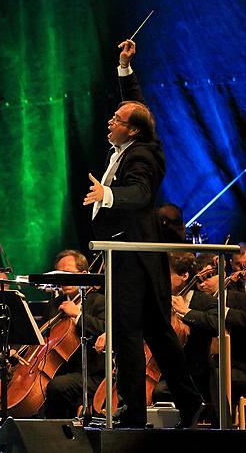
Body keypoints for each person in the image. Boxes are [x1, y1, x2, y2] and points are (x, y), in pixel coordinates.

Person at [83, 40, 203, 428]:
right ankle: (190, 401)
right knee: (156, 331)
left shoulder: (143, 154)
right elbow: (136, 106)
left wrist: (107, 193)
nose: (110, 122)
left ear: (131, 130)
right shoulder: (136, 137)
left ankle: (134, 411)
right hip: (131, 257)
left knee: (129, 333)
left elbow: (140, 194)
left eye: (116, 120)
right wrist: (124, 67)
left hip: (133, 258)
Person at [44, 250, 105, 419]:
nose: (64, 279)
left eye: (69, 273)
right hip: (61, 369)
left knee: (57, 386)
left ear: (84, 274)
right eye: (60, 274)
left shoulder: (98, 301)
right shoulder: (55, 304)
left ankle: (57, 435)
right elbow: (39, 333)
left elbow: (106, 329)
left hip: (93, 375)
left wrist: (78, 316)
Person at [153, 252, 217, 404]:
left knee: (160, 391)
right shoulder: (159, 300)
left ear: (184, 276)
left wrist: (186, 312)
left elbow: (216, 325)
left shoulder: (204, 301)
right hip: (162, 370)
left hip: (195, 373)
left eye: (166, 274)